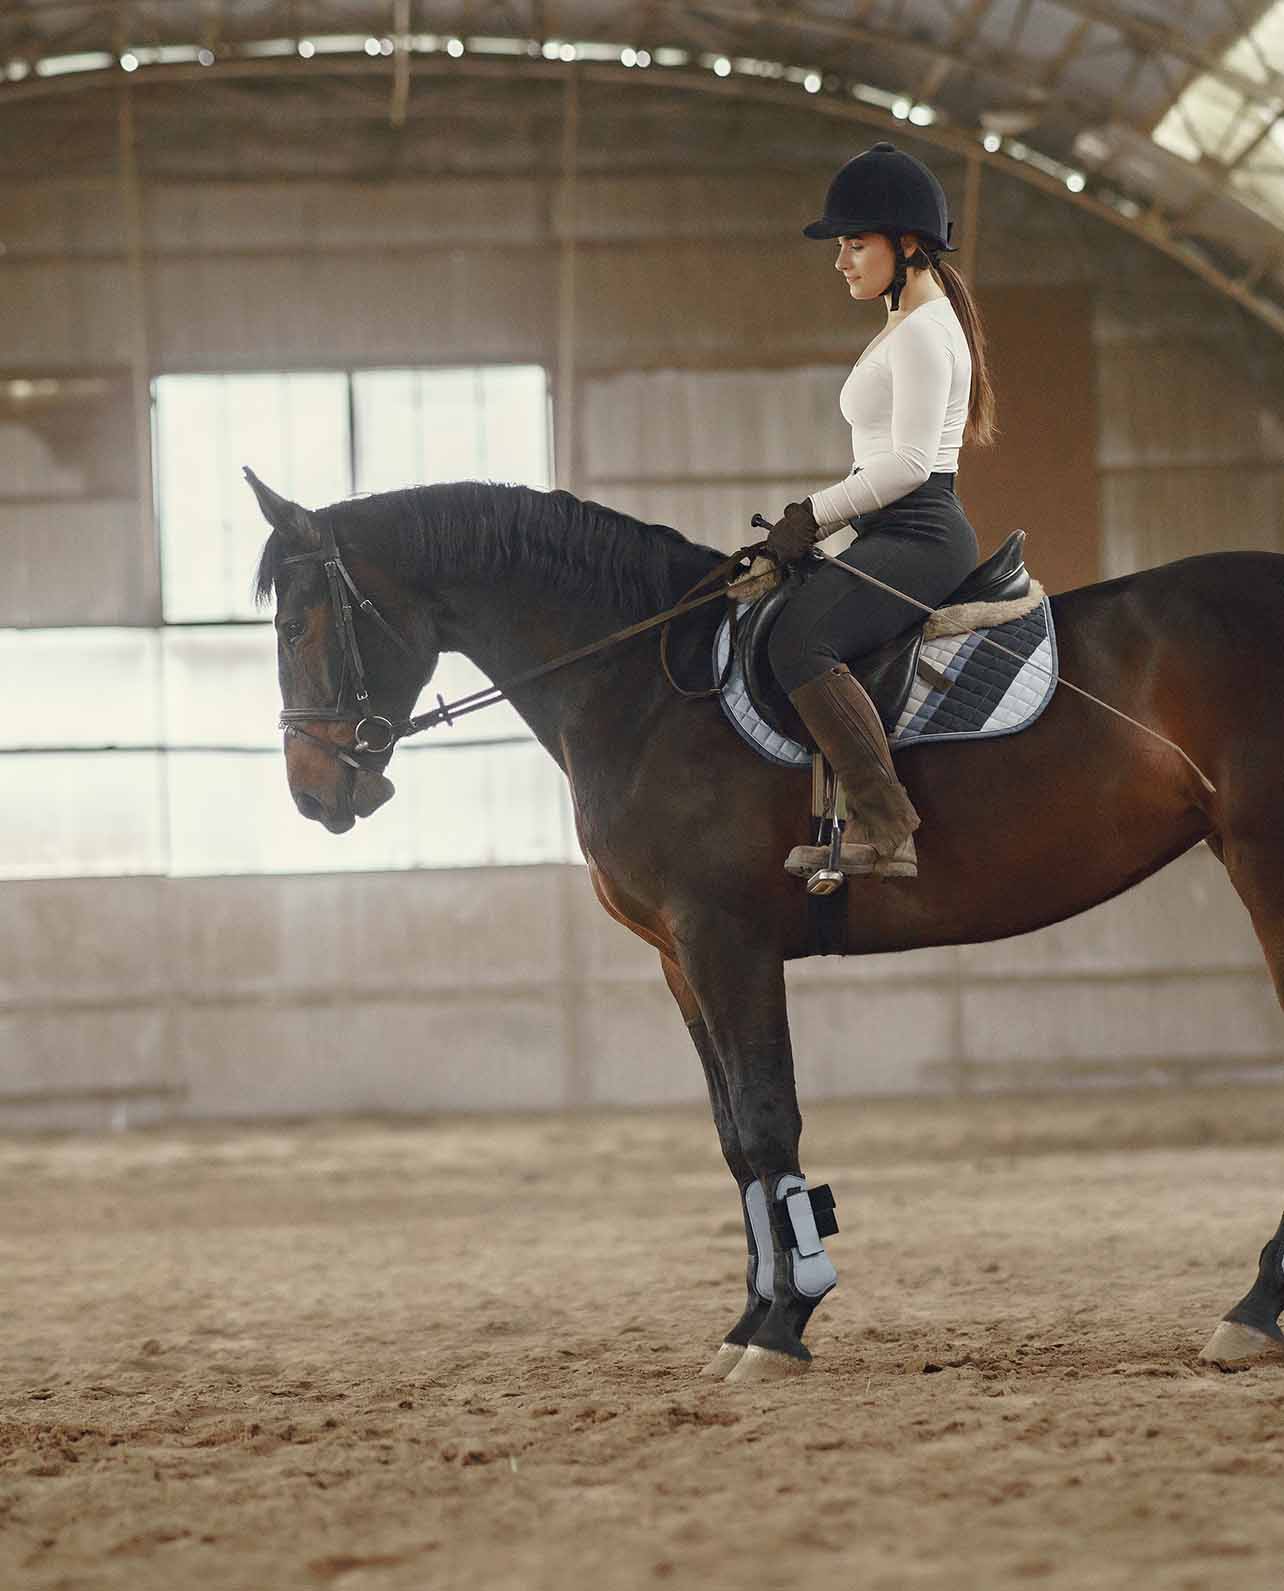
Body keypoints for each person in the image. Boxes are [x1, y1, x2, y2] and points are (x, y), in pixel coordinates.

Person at [733, 140, 998, 881]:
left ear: (906, 244)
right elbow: (880, 461)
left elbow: (910, 466)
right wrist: (807, 535)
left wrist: (810, 515)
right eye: (842, 246)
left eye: (855, 245)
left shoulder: (920, 334)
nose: (842, 261)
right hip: (894, 527)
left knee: (798, 641)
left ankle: (886, 827)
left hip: (921, 532)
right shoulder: (910, 322)